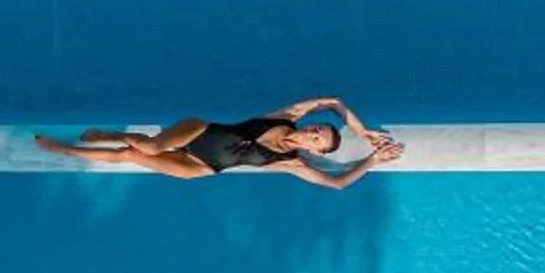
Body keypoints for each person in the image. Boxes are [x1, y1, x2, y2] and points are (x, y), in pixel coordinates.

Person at [35, 97, 403, 189]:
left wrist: (371, 160)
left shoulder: (290, 162)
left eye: (318, 141)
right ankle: (108, 134)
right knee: (148, 145)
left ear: (315, 151)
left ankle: (65, 150)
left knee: (133, 155)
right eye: (318, 129)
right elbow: (333, 100)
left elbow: (337, 182)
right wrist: (363, 129)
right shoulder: (287, 115)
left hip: (203, 166)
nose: (313, 134)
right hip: (199, 131)